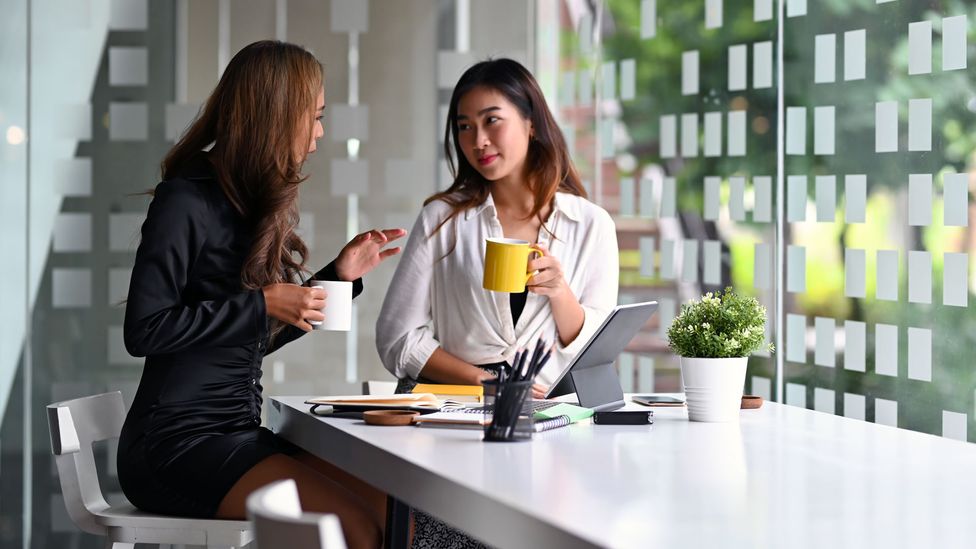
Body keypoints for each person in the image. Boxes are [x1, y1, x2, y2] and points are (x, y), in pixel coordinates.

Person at [117, 41, 404, 549]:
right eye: (313, 117)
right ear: (276, 115)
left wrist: (339, 274)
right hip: (175, 446)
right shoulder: (185, 199)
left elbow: (250, 336)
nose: (319, 134)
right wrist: (262, 304)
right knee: (356, 530)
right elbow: (144, 329)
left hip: (238, 431)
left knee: (395, 513)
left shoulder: (246, 199)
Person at [375, 58, 618, 547]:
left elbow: (596, 350)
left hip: (550, 423)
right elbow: (397, 339)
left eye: (492, 120)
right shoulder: (443, 219)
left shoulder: (590, 225)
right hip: (453, 416)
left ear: (531, 122)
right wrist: (489, 383)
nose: (478, 140)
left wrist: (560, 292)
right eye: (464, 127)